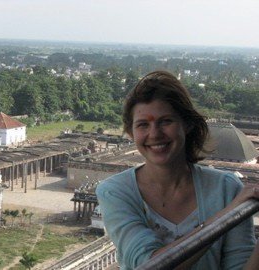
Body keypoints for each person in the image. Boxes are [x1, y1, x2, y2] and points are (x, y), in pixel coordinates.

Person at [95, 70, 259, 270]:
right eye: (143, 125)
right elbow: (150, 264)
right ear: (131, 132)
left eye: (166, 121)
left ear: (187, 124)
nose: (154, 134)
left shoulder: (226, 188)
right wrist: (229, 215)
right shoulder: (116, 191)